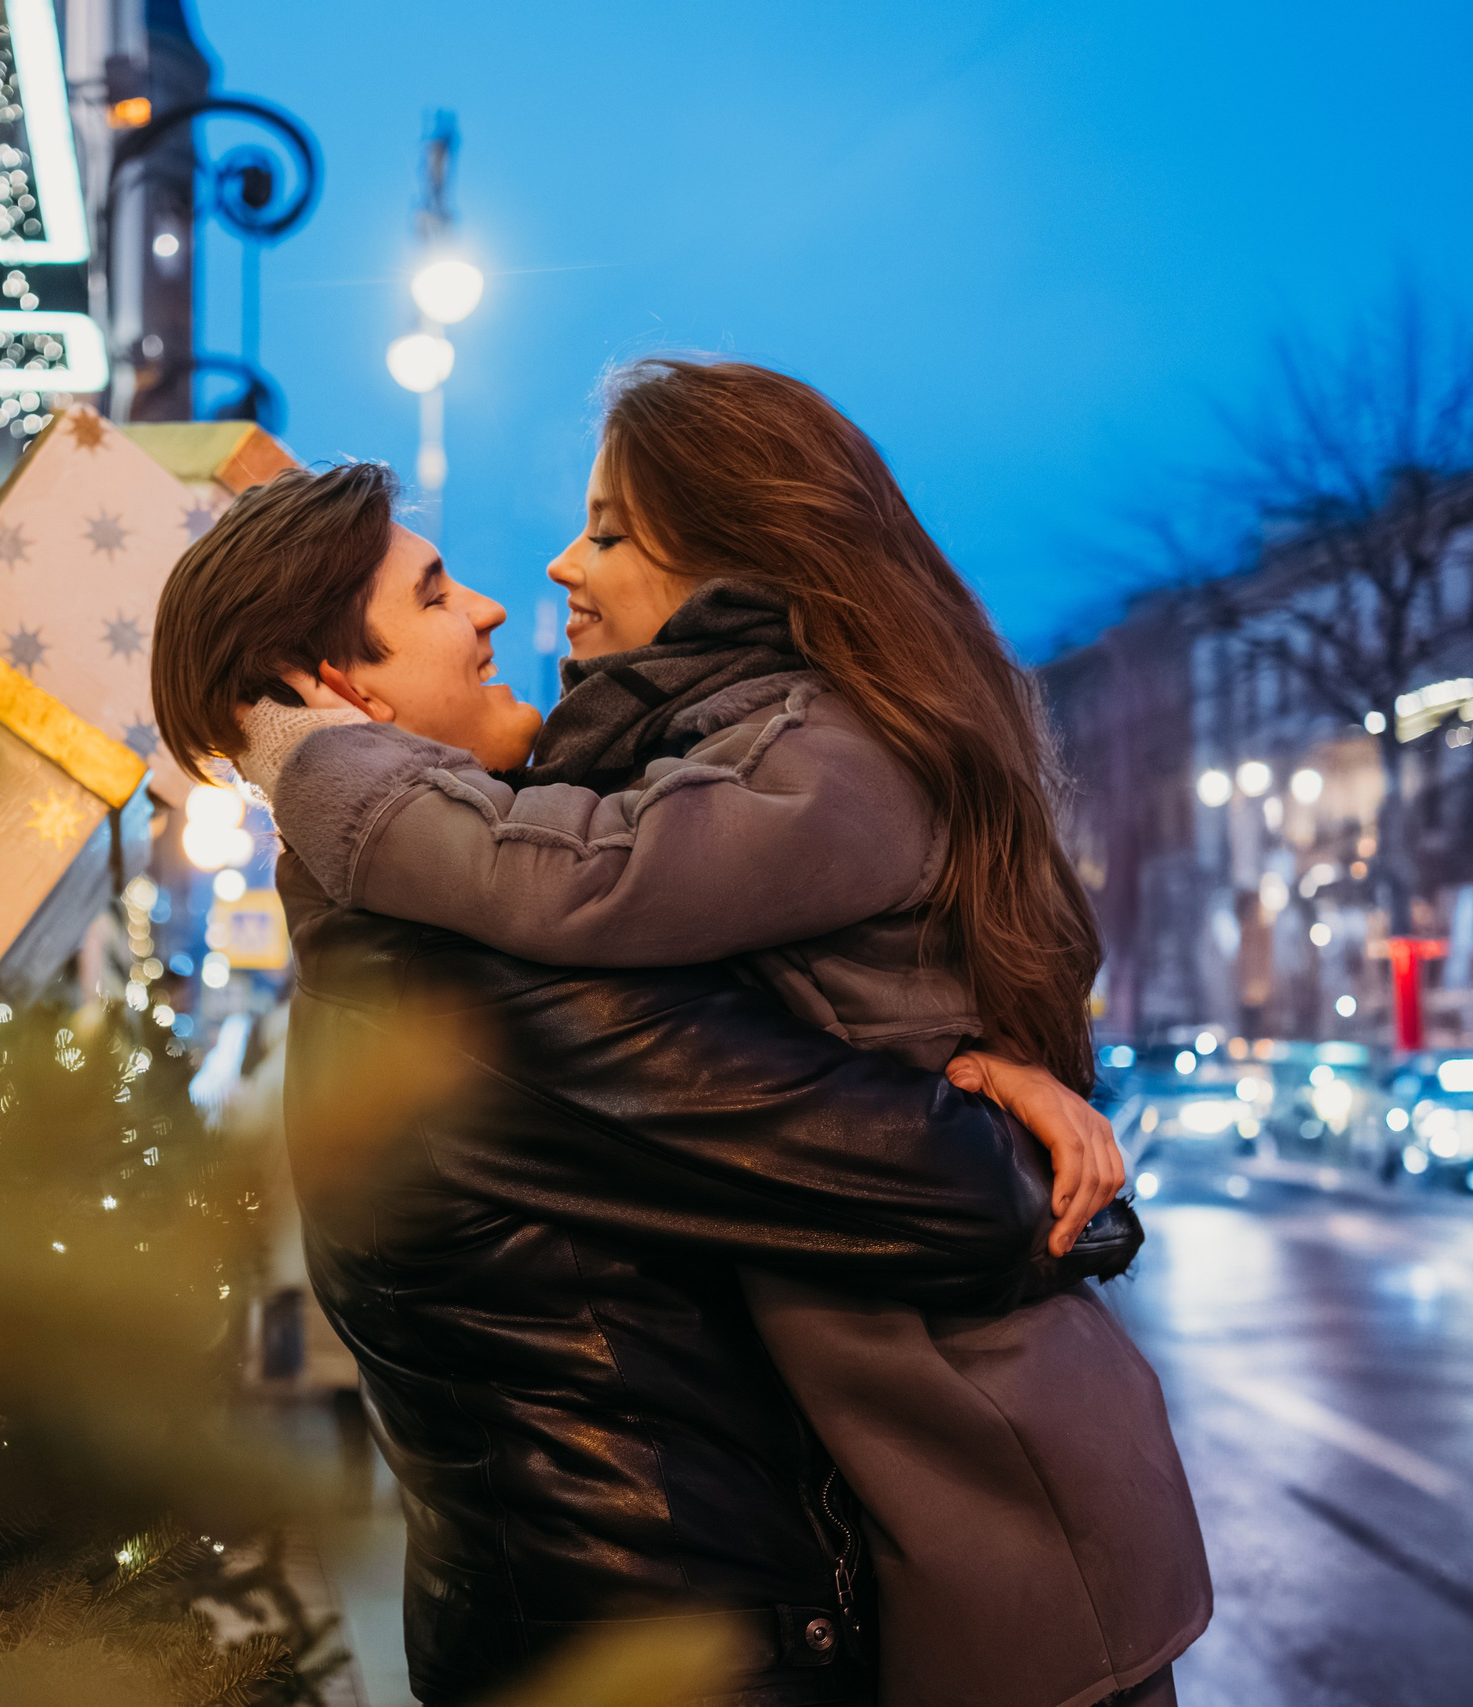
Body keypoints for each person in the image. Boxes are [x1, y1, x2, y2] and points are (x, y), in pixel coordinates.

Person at [150, 445, 1196, 1707]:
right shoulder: (462, 986)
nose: (491, 609)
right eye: (431, 595)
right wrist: (998, 1104)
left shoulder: (396, 945)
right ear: (337, 687)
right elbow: (960, 1199)